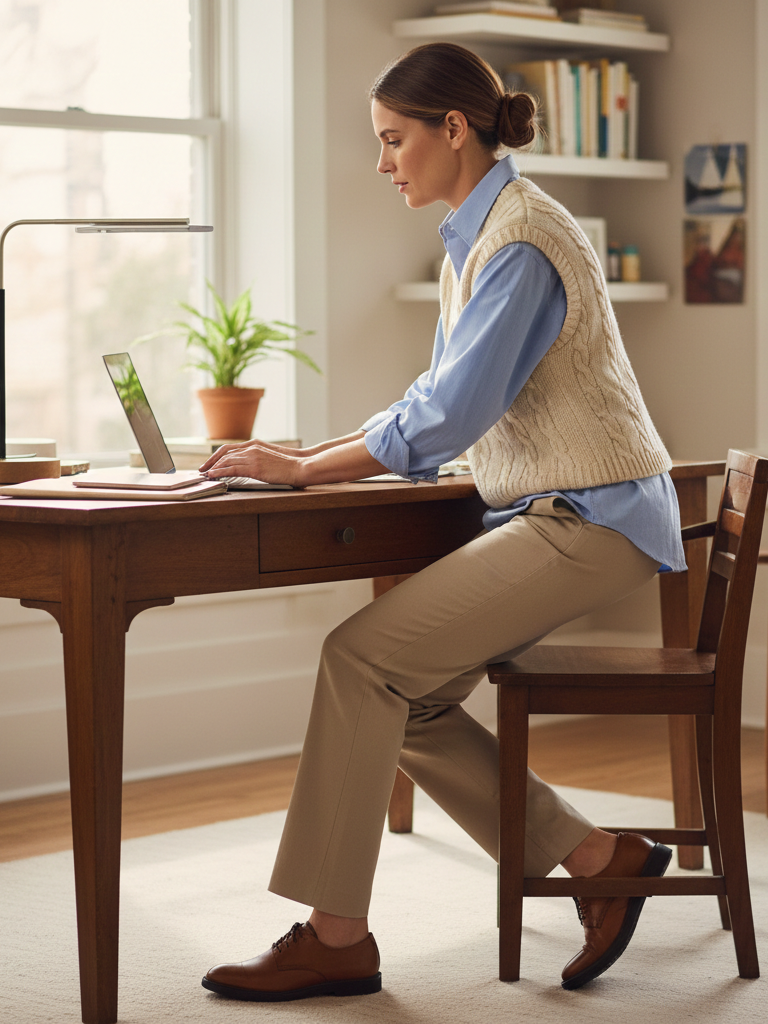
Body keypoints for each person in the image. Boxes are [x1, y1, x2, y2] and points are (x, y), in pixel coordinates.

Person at [199, 42, 684, 1002]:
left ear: (451, 130)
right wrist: (301, 463)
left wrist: (300, 471)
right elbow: (431, 400)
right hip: (576, 512)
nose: (383, 164)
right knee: (405, 693)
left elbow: (447, 416)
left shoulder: (520, 239)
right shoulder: (485, 230)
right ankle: (597, 862)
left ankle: (336, 939)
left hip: (593, 519)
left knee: (359, 659)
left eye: (393, 141)